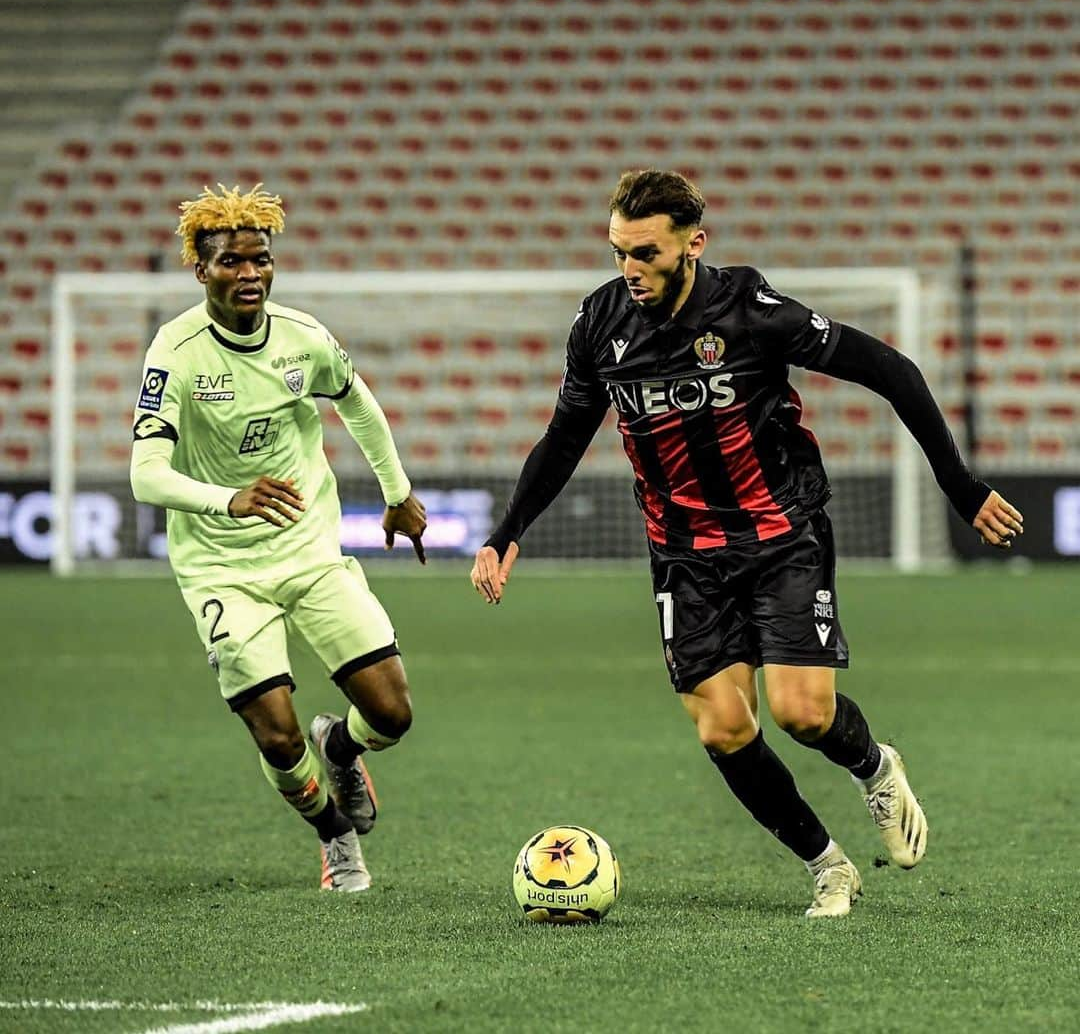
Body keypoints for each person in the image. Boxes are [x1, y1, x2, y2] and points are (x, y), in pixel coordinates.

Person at [471, 169, 1023, 918]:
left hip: (780, 533)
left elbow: (892, 369)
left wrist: (962, 488)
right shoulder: (599, 325)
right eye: (618, 252)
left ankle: (874, 765)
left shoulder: (751, 312)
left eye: (646, 253)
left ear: (693, 244)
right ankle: (827, 866)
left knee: (801, 714)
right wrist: (509, 532)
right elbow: (566, 434)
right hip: (682, 552)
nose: (630, 269)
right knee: (724, 726)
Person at [130, 183, 427, 892]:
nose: (250, 274)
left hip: (309, 552)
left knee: (391, 714)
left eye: (260, 260)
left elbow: (355, 399)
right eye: (231, 262)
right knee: (275, 734)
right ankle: (335, 835)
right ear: (201, 270)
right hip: (221, 571)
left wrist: (397, 491)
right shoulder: (175, 351)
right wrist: (228, 501)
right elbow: (145, 474)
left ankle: (342, 745)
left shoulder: (303, 336)